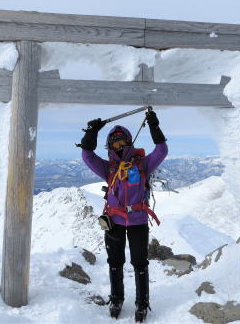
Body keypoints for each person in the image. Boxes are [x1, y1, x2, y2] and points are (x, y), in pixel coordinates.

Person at [79, 110, 168, 322]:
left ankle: (142, 303)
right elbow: (87, 155)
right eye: (114, 143)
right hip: (114, 221)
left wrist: (154, 127)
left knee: (139, 262)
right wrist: (92, 134)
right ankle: (116, 298)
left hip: (137, 220)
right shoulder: (109, 168)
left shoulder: (142, 164)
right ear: (109, 146)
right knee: (115, 262)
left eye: (121, 142)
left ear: (129, 142)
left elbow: (162, 150)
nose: (118, 146)